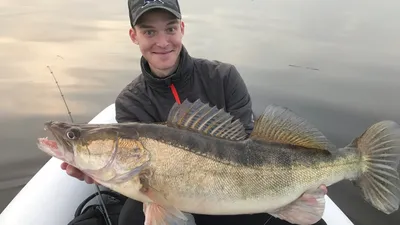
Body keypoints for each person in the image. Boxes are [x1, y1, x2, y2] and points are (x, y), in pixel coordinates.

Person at [61, 0, 328, 224]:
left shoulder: (223, 77)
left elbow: (248, 142)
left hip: (241, 192)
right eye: (149, 32)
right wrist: (96, 173)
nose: (163, 42)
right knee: (131, 218)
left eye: (170, 29)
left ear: (182, 28)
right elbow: (133, 177)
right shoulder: (131, 101)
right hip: (177, 200)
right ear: (134, 35)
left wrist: (294, 188)